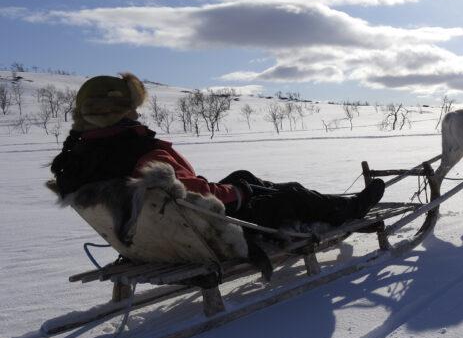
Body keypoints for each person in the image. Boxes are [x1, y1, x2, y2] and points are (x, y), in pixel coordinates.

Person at [50, 73, 386, 229]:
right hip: (207, 226)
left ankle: (322, 204)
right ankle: (348, 210)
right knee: (290, 192)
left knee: (245, 176)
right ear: (123, 111)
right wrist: (238, 193)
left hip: (157, 226)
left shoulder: (80, 158)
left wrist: (239, 186)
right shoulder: (142, 154)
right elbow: (197, 194)